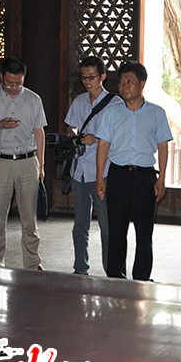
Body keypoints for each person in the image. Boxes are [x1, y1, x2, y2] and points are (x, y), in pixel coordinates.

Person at [94, 61, 172, 281]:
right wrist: (100, 177)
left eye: (129, 81)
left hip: (145, 178)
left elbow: (163, 146)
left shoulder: (157, 113)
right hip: (118, 176)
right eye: (121, 82)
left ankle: (142, 279)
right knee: (116, 231)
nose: (124, 86)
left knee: (144, 233)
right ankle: (116, 279)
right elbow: (103, 145)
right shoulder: (112, 112)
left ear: (142, 84)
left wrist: (161, 179)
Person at [0, 56, 47, 270]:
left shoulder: (34, 99)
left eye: (18, 83)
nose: (14, 88)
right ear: (1, 77)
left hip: (27, 161)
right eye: (9, 83)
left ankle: (33, 262)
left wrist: (41, 165)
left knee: (29, 217)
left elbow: (39, 132)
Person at [64, 56, 122, 275]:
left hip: (103, 172)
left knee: (106, 225)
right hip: (78, 169)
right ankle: (80, 268)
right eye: (84, 77)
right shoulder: (79, 101)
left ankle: (111, 271)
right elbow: (70, 127)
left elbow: (119, 136)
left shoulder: (115, 104)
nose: (87, 81)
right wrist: (72, 134)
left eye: (92, 77)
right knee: (80, 224)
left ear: (103, 77)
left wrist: (96, 138)